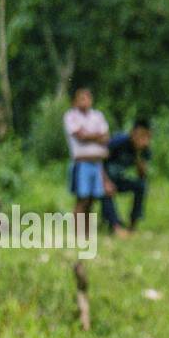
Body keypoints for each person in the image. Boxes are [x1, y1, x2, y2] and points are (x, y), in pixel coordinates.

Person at [62, 87, 118, 238]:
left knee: (93, 199)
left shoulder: (97, 115)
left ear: (91, 100)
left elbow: (106, 137)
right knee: (82, 198)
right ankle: (76, 232)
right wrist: (96, 136)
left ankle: (87, 232)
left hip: (97, 164)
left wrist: (89, 135)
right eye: (81, 98)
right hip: (82, 164)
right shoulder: (71, 116)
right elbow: (80, 136)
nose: (84, 102)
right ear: (75, 101)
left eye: (86, 98)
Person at [102, 118, 152, 232]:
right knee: (105, 190)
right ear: (132, 133)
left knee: (141, 186)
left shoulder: (144, 149)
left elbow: (142, 175)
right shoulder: (118, 142)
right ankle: (116, 226)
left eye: (147, 136)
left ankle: (132, 225)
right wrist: (105, 182)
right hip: (100, 177)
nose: (143, 139)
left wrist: (139, 156)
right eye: (140, 135)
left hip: (117, 179)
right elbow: (98, 162)